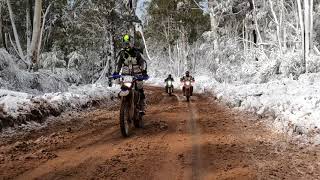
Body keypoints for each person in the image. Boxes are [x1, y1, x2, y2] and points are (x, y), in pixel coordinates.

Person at [114, 34, 147, 114]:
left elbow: (143, 62)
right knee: (123, 88)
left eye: (128, 43)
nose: (127, 45)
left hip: (137, 75)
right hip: (126, 76)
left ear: (131, 43)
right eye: (125, 44)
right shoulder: (121, 53)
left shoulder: (137, 53)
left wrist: (143, 72)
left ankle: (141, 107)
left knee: (140, 90)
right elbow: (118, 64)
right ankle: (124, 104)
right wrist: (116, 72)